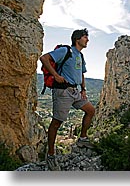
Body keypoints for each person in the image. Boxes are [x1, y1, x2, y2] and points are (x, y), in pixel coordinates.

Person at [40, 28, 95, 170]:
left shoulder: (80, 56)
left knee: (91, 111)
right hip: (62, 91)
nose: (87, 40)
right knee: (57, 123)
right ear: (77, 39)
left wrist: (83, 89)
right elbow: (44, 58)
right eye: (85, 37)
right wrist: (56, 75)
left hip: (75, 91)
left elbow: (81, 73)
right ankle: (51, 155)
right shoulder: (66, 51)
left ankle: (82, 138)